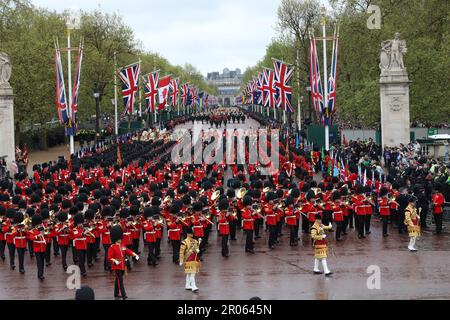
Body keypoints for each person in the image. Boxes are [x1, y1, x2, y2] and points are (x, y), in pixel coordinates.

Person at [108, 225, 139, 300]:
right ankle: (123, 294)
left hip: (122, 265)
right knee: (120, 281)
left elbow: (128, 251)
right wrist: (115, 261)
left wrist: (134, 254)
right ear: (116, 239)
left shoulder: (122, 245)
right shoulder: (112, 247)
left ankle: (116, 293)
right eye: (118, 238)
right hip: (116, 266)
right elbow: (109, 258)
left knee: (117, 279)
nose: (120, 240)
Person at [179, 227, 201, 292]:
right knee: (192, 273)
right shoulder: (184, 242)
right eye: (190, 233)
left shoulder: (195, 241)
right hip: (188, 259)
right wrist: (181, 260)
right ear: (188, 234)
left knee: (189, 273)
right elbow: (181, 251)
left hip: (195, 259)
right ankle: (193, 286)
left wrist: (197, 250)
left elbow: (196, 248)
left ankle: (187, 285)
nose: (192, 235)